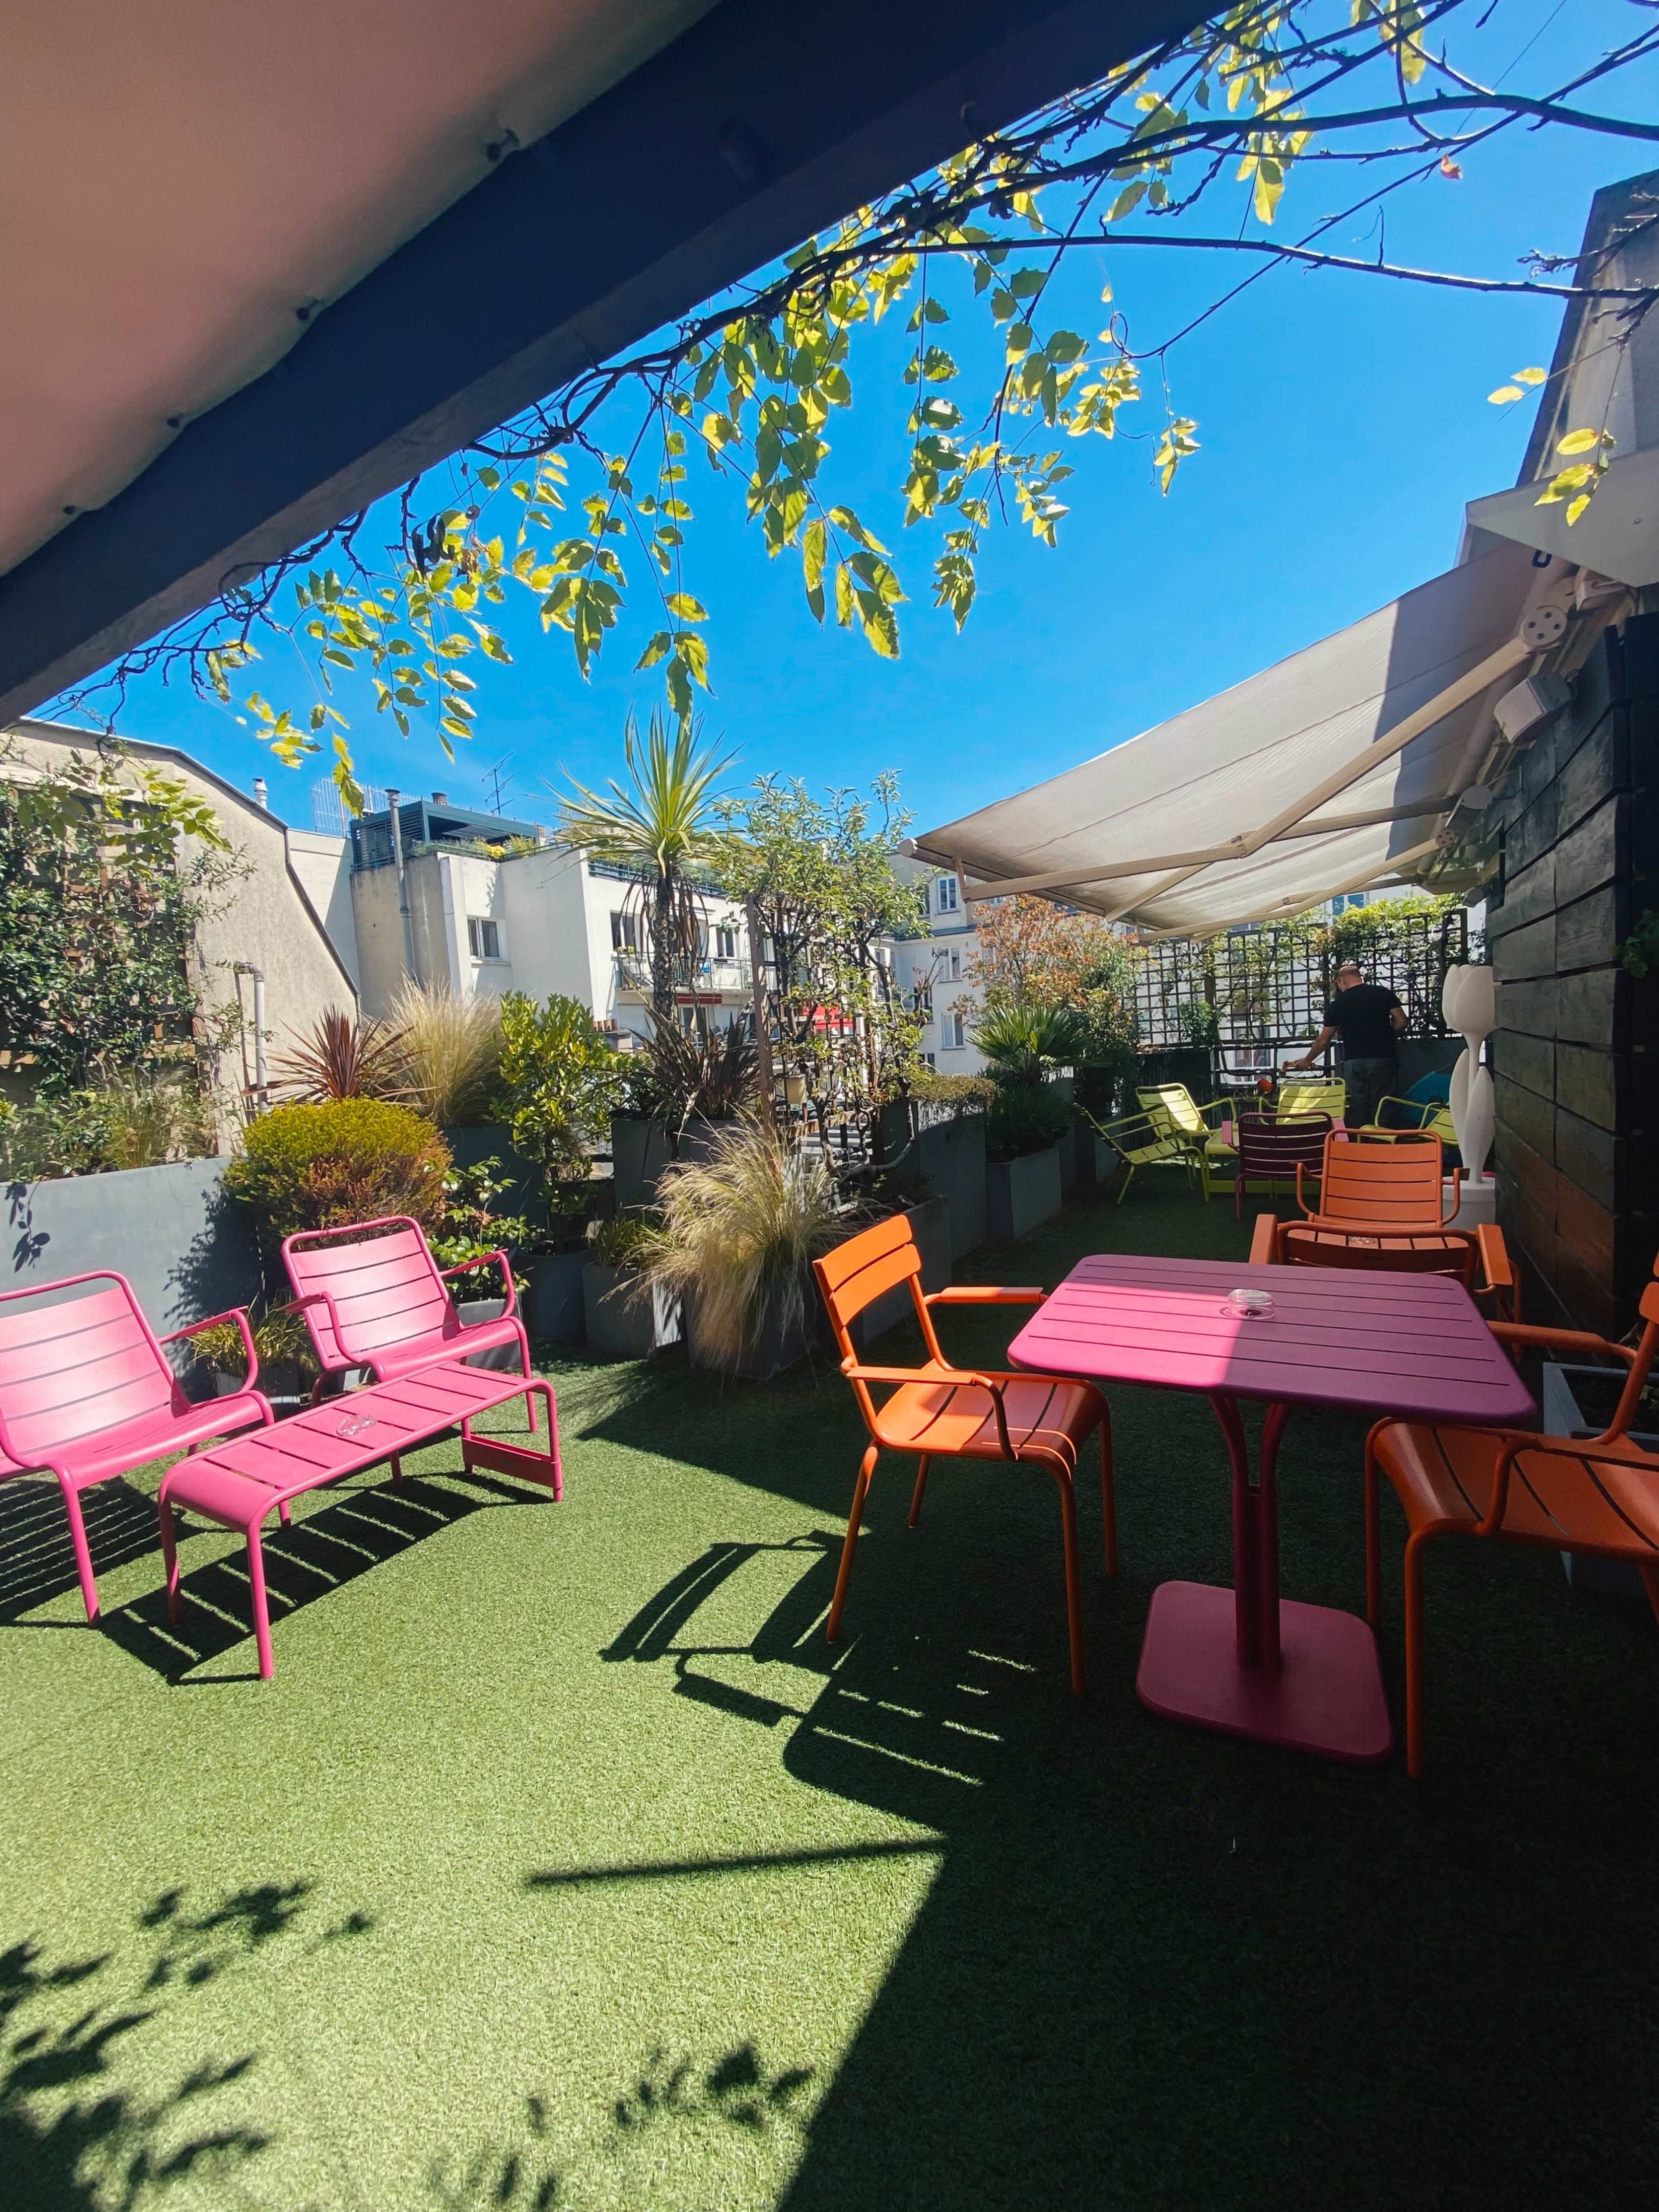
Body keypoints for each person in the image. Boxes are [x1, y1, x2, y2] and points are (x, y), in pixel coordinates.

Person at [1284, 961, 1406, 1128]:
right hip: (1383, 1056)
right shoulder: (1383, 993)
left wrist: (1307, 1060)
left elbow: (1323, 1040)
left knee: (1358, 1104)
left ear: (1341, 981)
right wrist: (1388, 1033)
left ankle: (1357, 1144)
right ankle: (1381, 1143)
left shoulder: (1339, 1004)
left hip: (1354, 1061)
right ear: (1360, 977)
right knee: (1383, 1103)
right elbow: (1401, 1021)